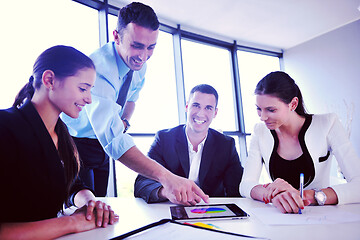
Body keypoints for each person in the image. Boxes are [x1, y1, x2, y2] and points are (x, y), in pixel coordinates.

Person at [61, 2, 209, 203]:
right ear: (116, 36)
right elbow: (113, 139)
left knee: (102, 204)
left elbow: (132, 98)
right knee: (84, 207)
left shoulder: (139, 64)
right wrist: (167, 178)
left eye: (151, 47)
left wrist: (125, 121)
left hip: (101, 146)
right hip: (73, 142)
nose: (143, 56)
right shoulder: (99, 71)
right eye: (137, 45)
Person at [0, 45, 118, 239]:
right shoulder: (5, 127)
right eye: (83, 88)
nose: (88, 99)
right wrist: (71, 222)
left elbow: (71, 183)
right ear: (49, 80)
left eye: (90, 90)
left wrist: (90, 203)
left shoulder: (62, 134)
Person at [239, 71, 360, 213]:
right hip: (280, 217)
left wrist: (306, 196)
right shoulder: (260, 131)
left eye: (271, 110)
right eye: (259, 109)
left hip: (321, 217)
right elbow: (245, 185)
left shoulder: (328, 123)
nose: (263, 117)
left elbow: (357, 184)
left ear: (293, 104)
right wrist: (274, 194)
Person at [134, 84, 244, 205]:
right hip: (171, 209)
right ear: (187, 106)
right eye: (196, 106)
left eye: (208, 108)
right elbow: (141, 184)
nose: (201, 114)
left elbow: (237, 189)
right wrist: (167, 192)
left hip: (211, 211)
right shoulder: (164, 139)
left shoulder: (226, 145)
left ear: (215, 112)